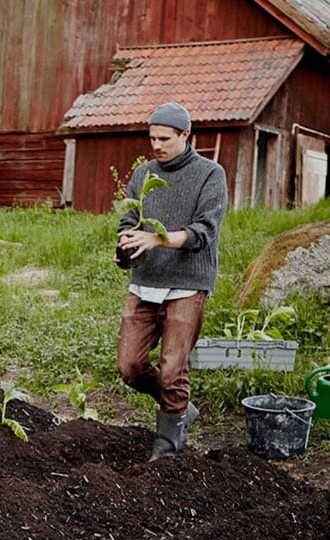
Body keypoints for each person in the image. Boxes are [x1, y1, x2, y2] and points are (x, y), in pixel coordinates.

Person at [114, 101, 228, 461]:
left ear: (185, 135)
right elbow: (128, 222)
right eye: (152, 138)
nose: (157, 145)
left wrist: (158, 239)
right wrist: (125, 246)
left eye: (164, 138)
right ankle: (180, 406)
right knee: (130, 367)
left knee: (172, 370)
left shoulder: (210, 174)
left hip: (187, 284)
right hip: (145, 281)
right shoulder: (144, 175)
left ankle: (165, 455)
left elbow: (204, 232)